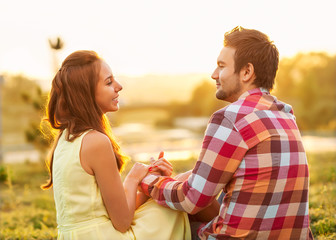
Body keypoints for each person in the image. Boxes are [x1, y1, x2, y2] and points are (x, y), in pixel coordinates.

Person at [140, 26, 313, 239]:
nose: (214, 74)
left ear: (247, 72)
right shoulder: (285, 114)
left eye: (221, 66)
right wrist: (178, 181)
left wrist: (148, 181)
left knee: (168, 223)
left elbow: (191, 199)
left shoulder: (230, 117)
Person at [41, 50, 191, 240]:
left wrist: (152, 181)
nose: (119, 86)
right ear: (86, 93)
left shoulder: (65, 138)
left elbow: (113, 211)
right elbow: (121, 222)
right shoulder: (96, 141)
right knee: (180, 192)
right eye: (109, 82)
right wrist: (133, 178)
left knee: (173, 192)